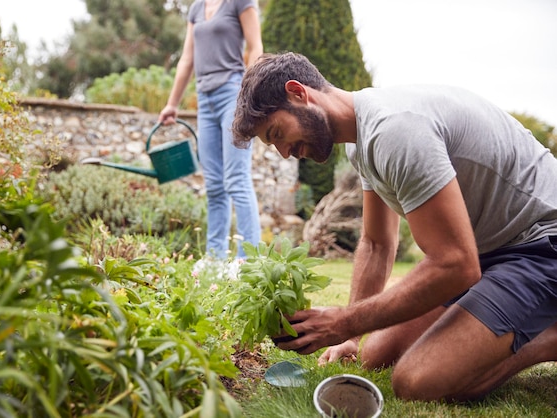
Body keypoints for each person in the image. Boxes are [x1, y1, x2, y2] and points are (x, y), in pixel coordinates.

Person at [231, 51, 557, 402]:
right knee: (375, 354)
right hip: (494, 251)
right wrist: (349, 337)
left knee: (417, 382)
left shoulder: (395, 130)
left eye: (277, 133)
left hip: (542, 244)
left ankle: (549, 339)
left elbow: (455, 264)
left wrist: (343, 320)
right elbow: (376, 243)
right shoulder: (362, 140)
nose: (284, 152)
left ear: (299, 93)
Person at [158, 0, 262, 259]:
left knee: (236, 179)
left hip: (232, 93)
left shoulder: (240, 2)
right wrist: (172, 103)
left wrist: (249, 94)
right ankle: (214, 260)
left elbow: (255, 46)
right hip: (204, 99)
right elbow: (187, 59)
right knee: (214, 185)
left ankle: (248, 261)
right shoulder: (196, 8)